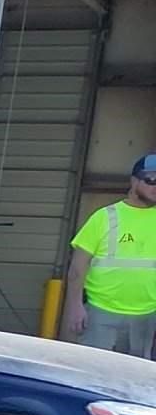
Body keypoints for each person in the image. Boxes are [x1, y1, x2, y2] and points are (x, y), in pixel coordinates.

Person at [61, 151, 156, 355]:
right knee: (92, 374)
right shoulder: (104, 217)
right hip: (101, 313)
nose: (155, 186)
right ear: (134, 180)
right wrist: (75, 306)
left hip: (146, 316)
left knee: (134, 379)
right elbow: (77, 268)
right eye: (151, 179)